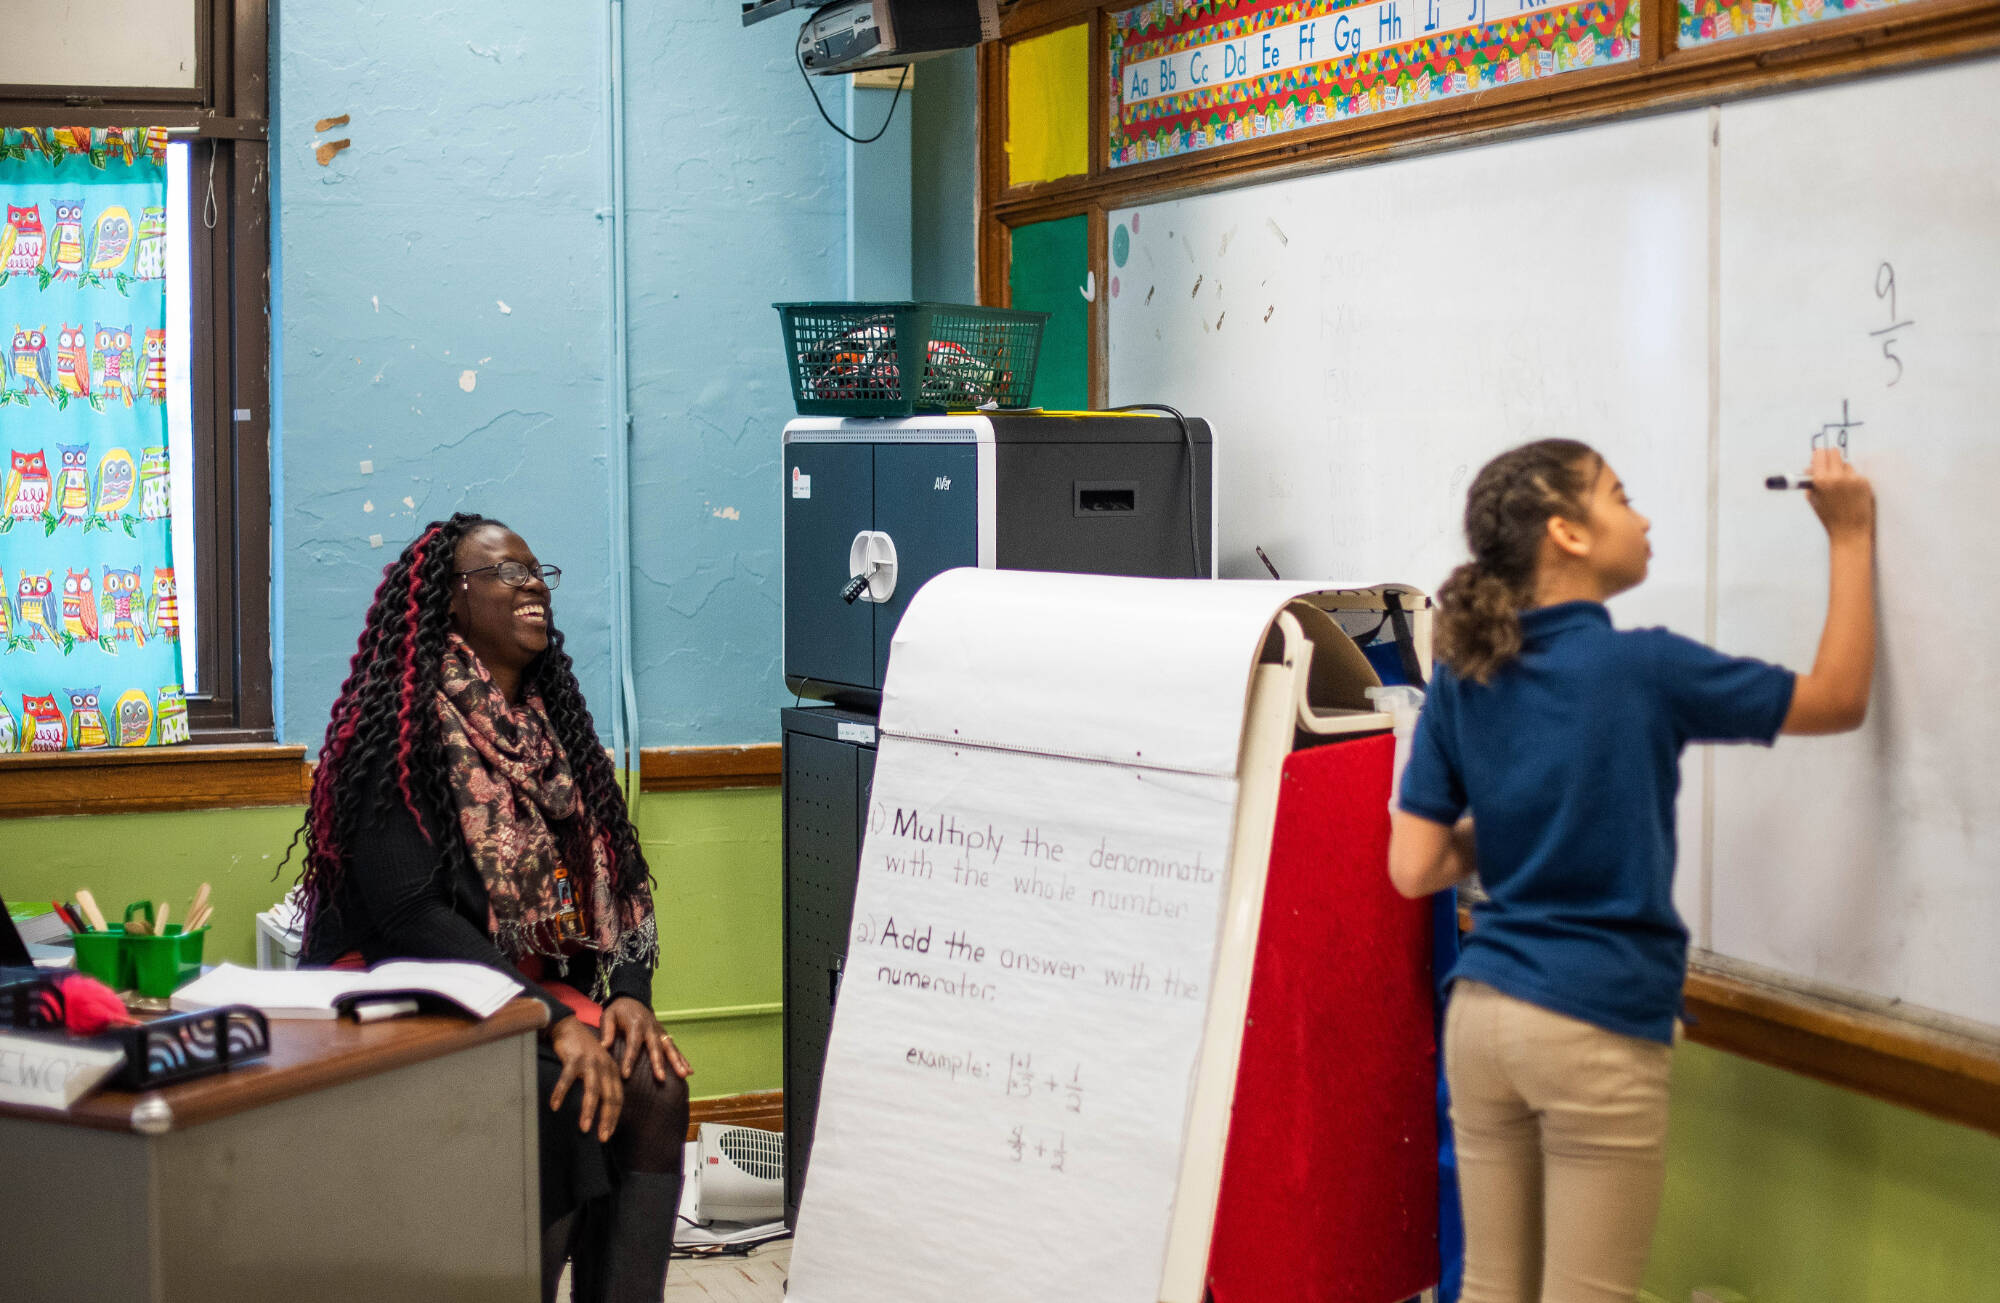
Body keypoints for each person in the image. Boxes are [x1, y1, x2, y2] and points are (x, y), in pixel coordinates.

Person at [1387, 442, 1875, 1302]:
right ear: (1567, 532)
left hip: (1484, 1017)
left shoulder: (1466, 672)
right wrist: (1851, 533)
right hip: (1595, 1024)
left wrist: (1508, 823)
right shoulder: (1646, 666)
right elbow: (1838, 697)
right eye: (1622, 497)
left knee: (1493, 1286)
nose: (1644, 518)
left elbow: (1415, 863)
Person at [293, 513, 691, 1303]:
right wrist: (550, 1018)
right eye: (507, 572)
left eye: (538, 570)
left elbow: (625, 882)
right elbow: (414, 919)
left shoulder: (557, 733)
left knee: (653, 1081)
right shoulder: (395, 733)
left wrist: (631, 998)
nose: (533, 583)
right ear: (451, 599)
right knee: (555, 1086)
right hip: (402, 985)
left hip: (525, 990)